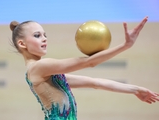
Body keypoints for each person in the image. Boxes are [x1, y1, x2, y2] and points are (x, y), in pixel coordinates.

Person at [9, 16, 159, 120]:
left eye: (44, 35)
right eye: (37, 35)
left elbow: (95, 83)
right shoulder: (40, 67)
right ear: (22, 44)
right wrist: (125, 46)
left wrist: (136, 90)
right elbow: (89, 62)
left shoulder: (47, 75)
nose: (44, 38)